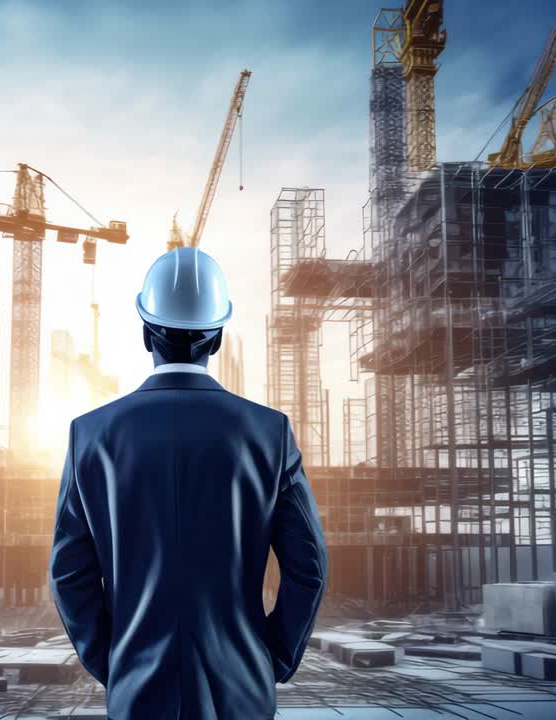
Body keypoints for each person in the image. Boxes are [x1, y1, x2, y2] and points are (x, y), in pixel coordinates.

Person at [49, 247, 329, 719]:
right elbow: (309, 567)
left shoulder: (90, 434)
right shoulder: (268, 433)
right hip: (241, 692)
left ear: (145, 333)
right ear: (216, 339)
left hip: (136, 693)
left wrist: (116, 664)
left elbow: (70, 574)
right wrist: (269, 660)